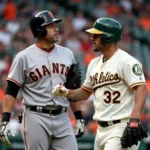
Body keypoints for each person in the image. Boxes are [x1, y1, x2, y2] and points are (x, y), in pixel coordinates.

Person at [52, 17, 148, 150]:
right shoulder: (94, 63)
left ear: (108, 37)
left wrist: (135, 118)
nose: (91, 38)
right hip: (100, 130)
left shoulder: (126, 61)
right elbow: (85, 93)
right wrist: (67, 92)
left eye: (96, 35)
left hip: (120, 127)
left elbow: (141, 88)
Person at [0, 10, 85, 150]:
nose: (56, 29)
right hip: (35, 117)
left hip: (62, 117)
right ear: (40, 30)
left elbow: (72, 89)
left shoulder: (67, 54)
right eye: (51, 26)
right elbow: (11, 90)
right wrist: (5, 121)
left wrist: (79, 117)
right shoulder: (24, 57)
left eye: (55, 25)